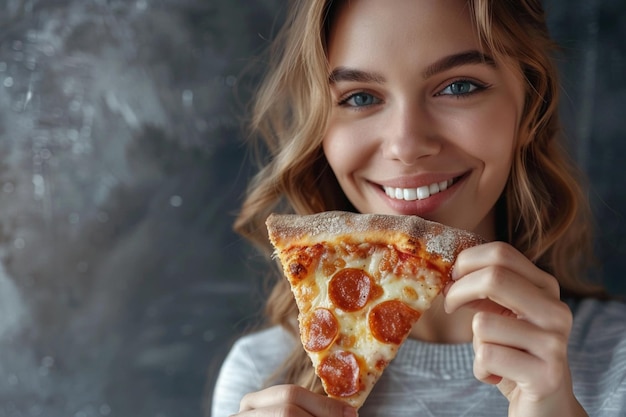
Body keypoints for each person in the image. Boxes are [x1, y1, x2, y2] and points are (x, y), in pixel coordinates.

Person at [211, 0, 626, 416]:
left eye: (458, 86)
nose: (406, 146)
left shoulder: (618, 365)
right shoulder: (258, 378)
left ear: (530, 110)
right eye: (359, 97)